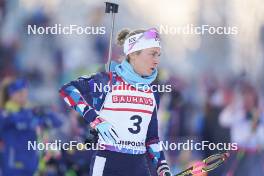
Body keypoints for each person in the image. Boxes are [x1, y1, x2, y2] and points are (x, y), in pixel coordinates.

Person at [59, 28, 171, 176]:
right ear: (133, 54)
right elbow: (67, 90)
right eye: (151, 54)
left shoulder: (151, 92)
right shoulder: (107, 81)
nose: (156, 60)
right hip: (108, 162)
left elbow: (152, 139)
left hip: (138, 166)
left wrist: (162, 166)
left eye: (158, 55)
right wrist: (95, 119)